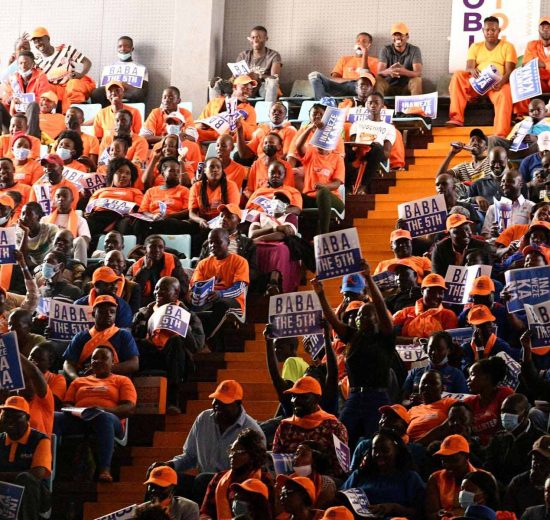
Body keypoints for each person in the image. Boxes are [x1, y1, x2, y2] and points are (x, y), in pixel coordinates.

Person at [312, 259, 395, 448]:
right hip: (355, 397)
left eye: (365, 314)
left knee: (375, 443)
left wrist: (368, 278)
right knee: (340, 441)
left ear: (376, 318)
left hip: (377, 397)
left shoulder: (385, 337)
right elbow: (333, 320)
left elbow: (380, 306)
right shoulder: (353, 336)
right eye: (358, 315)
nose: (360, 318)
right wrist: (321, 294)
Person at [148, 380, 266, 487]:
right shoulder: (204, 419)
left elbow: (254, 472)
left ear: (238, 404)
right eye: (216, 400)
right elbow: (190, 456)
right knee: (160, 478)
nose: (217, 405)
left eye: (224, 402)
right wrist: (169, 466)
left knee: (202, 479)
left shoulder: (252, 430)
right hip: (202, 483)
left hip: (232, 485)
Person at [54, 346, 137, 482]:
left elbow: (129, 408)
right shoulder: (78, 381)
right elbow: (67, 404)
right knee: (54, 417)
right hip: (80, 418)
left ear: (113, 362)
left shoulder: (122, 380)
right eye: (94, 358)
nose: (98, 361)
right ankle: (50, 465)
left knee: (103, 418)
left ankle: (105, 469)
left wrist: (102, 410)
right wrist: (77, 411)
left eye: (103, 358)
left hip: (109, 420)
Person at [133, 276, 205, 414]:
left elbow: (197, 345)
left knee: (175, 341)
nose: (157, 292)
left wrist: (182, 326)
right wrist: (144, 325)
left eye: (164, 289)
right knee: (135, 344)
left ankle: (173, 401)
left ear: (176, 293)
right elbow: (132, 338)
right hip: (150, 353)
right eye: (156, 289)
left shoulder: (189, 315)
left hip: (175, 357)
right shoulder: (143, 312)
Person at [447, 16, 517, 136]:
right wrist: (472, 70)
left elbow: (510, 71)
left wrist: (501, 82)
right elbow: (469, 67)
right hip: (478, 82)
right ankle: (456, 118)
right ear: (483, 30)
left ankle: (500, 134)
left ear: (499, 31)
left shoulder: (507, 46)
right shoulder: (475, 46)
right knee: (458, 75)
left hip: (496, 85)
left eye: (493, 30)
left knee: (506, 91)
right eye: (487, 30)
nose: (490, 32)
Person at [272, 375, 348, 478]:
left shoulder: (334, 426)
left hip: (324, 482)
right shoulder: (285, 426)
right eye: (293, 396)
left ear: (317, 399)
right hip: (290, 481)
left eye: (302, 397)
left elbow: (341, 468)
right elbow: (276, 462)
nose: (295, 401)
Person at [341, 428, 426, 518]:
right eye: (375, 450)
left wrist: (394, 508)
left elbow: (420, 512)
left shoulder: (410, 478)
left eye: (385, 450)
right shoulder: (360, 474)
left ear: (396, 451)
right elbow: (341, 497)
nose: (379, 454)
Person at [190, 228, 249, 346]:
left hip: (233, 301)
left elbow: (239, 289)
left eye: (217, 242)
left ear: (228, 242)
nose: (213, 245)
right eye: (210, 242)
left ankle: (202, 343)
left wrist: (220, 294)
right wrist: (195, 295)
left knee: (221, 304)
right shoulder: (203, 263)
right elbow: (195, 285)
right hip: (207, 300)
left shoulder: (240, 261)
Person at [200, 428, 273, 519]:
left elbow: (271, 515)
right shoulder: (218, 478)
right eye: (232, 451)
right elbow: (205, 513)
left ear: (253, 454)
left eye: (239, 452)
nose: (232, 455)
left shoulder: (265, 480)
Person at [62, 294, 139, 380]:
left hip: (115, 382)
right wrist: (76, 379)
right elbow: (68, 363)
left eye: (112, 312)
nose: (108, 314)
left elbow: (134, 364)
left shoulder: (123, 335)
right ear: (93, 314)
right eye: (103, 311)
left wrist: (103, 369)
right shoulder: (80, 337)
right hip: (86, 381)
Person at [0, 395, 52, 519]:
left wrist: (3, 476)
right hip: (3, 493)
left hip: (35, 497)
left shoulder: (40, 439)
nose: (10, 421)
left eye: (16, 417)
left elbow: (37, 473)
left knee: (26, 478)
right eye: (6, 416)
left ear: (27, 418)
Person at [295, 118, 345, 234]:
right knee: (290, 195)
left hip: (332, 199)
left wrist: (324, 187)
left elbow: (337, 183)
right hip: (311, 198)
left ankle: (323, 234)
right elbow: (298, 146)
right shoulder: (311, 152)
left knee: (323, 192)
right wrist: (310, 128)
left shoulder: (337, 158)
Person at [485, 393, 546, 486]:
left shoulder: (540, 439)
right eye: (503, 411)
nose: (505, 415)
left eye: (511, 412)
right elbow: (488, 465)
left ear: (525, 414)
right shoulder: (498, 437)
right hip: (497, 487)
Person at [30, 26, 95, 112]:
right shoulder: (37, 61)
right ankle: (54, 115)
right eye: (35, 42)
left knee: (73, 84)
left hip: (70, 84)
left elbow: (87, 62)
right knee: (44, 91)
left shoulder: (65, 49)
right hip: (55, 89)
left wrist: (81, 74)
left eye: (40, 40)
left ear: (48, 39)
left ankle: (77, 112)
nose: (38, 44)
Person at [212, 25, 282, 102]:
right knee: (215, 82)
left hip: (261, 87)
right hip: (243, 85)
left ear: (266, 38)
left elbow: (274, 78)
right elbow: (234, 77)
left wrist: (259, 76)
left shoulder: (273, 55)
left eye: (258, 37)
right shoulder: (243, 55)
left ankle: (269, 108)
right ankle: (216, 108)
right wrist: (237, 77)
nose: (255, 40)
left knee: (272, 83)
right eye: (253, 37)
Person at [347, 92, 399, 193]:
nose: (373, 105)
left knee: (377, 148)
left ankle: (363, 185)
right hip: (358, 150)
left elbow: (387, 152)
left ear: (382, 106)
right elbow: (352, 144)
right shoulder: (357, 124)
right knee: (343, 150)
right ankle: (347, 187)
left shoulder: (389, 127)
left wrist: (375, 145)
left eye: (376, 103)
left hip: (376, 152)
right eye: (370, 103)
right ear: (366, 105)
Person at [134, 156, 193, 242]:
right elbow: (144, 210)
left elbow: (188, 211)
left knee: (167, 222)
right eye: (172, 171)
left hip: (175, 220)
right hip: (153, 219)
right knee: (139, 222)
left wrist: (169, 216)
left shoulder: (184, 190)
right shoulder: (151, 191)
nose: (176, 174)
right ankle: (140, 246)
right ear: (163, 173)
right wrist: (153, 216)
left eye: (178, 171)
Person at [86, 157, 143, 243]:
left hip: (121, 218)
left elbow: (139, 210)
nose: (123, 175)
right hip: (98, 217)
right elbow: (88, 209)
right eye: (120, 171)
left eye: (128, 173)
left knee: (126, 222)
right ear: (112, 174)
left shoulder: (135, 191)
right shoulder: (100, 191)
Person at [309, 32, 378, 100]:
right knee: (314, 75)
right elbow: (334, 79)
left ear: (369, 45)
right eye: (358, 41)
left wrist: (365, 52)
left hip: (358, 88)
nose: (360, 43)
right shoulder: (344, 59)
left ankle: (325, 101)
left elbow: (368, 81)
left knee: (362, 83)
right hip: (341, 87)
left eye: (364, 41)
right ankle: (322, 102)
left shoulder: (375, 61)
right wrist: (353, 80)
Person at [402, 331, 469, 401]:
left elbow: (464, 401)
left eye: (439, 349)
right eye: (431, 348)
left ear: (449, 350)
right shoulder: (415, 373)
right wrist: (412, 400)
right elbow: (403, 400)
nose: (434, 352)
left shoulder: (457, 375)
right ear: (426, 348)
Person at [426, 434, 479, 520]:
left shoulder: (484, 478)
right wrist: (442, 514)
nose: (447, 465)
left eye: (453, 460)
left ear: (466, 456)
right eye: (444, 460)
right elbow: (431, 514)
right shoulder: (435, 478)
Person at [393, 273, 458, 342]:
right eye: (432, 291)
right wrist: (415, 340)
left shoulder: (448, 315)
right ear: (422, 291)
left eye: (440, 292)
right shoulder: (406, 312)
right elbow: (389, 335)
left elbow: (449, 342)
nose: (437, 296)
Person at [465, 357, 514, 446]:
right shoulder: (469, 402)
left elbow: (508, 429)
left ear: (487, 377)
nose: (468, 380)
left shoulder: (505, 394)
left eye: (472, 374)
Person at [128, 235, 188, 306]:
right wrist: (145, 269)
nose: (157, 250)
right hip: (146, 303)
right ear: (145, 249)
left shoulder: (173, 260)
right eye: (153, 247)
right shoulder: (136, 266)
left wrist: (168, 296)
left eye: (160, 247)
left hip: (170, 300)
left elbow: (183, 287)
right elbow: (133, 291)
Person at [91, 35, 150, 106]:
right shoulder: (109, 67)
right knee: (96, 93)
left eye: (126, 46)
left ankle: (126, 107)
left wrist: (125, 85)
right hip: (111, 93)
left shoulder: (141, 68)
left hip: (129, 93)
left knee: (139, 94)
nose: (123, 49)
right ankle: (107, 111)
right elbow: (104, 87)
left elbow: (144, 91)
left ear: (132, 49)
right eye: (120, 46)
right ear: (117, 48)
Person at [197, 75, 257, 142]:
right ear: (235, 87)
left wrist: (240, 123)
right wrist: (200, 125)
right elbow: (200, 121)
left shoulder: (250, 110)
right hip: (208, 134)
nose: (248, 92)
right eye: (244, 88)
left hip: (229, 138)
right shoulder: (215, 102)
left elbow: (251, 133)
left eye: (250, 89)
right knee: (191, 132)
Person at [188, 157, 240, 233]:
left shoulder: (231, 185)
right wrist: (200, 220)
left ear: (222, 170)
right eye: (211, 167)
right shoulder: (196, 187)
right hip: (203, 224)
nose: (215, 169)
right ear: (204, 170)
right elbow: (192, 213)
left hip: (223, 224)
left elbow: (232, 211)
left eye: (218, 167)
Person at [41, 186, 90, 264]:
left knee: (80, 240)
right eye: (58, 196)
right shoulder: (45, 219)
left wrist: (67, 246)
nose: (61, 199)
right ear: (54, 199)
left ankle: (79, 269)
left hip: (70, 253)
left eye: (64, 196)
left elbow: (84, 243)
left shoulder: (81, 220)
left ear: (72, 200)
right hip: (50, 252)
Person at [461, 305, 518, 370]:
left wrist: (480, 348)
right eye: (480, 325)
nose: (485, 327)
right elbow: (472, 372)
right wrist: (480, 348)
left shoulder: (502, 346)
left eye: (488, 323)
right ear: (472, 326)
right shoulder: (466, 347)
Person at [504, 436, 550, 517]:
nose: (537, 464)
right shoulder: (518, 483)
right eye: (535, 458)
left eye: (544, 460)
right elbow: (507, 513)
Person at [482, 170, 535, 239]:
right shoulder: (493, 208)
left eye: (509, 181)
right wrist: (493, 236)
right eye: (503, 181)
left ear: (521, 184)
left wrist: (503, 237)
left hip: (520, 244)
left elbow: (532, 234)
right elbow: (485, 235)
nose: (505, 184)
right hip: (496, 244)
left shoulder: (531, 207)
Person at [407, 370, 458, 442]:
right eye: (424, 382)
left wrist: (419, 443)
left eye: (433, 383)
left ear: (442, 388)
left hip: (438, 444)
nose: (427, 385)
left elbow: (450, 425)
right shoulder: (412, 410)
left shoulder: (449, 403)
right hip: (410, 446)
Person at [242, 130, 294, 199]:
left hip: (277, 200)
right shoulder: (256, 164)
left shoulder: (286, 166)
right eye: (265, 143)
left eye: (271, 143)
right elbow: (249, 189)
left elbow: (288, 189)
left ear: (279, 146)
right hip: (257, 200)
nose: (268, 145)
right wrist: (254, 199)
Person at [376, 22, 423, 96]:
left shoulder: (414, 50)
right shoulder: (385, 50)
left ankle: (415, 103)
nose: (397, 38)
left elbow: (418, 73)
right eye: (395, 35)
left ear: (407, 36)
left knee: (417, 80)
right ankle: (378, 102)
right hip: (389, 86)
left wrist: (404, 72)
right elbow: (379, 72)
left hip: (406, 87)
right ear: (392, 37)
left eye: (401, 35)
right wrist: (389, 71)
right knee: (378, 79)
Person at [5, 50, 49, 115]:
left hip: (35, 113)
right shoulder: (14, 78)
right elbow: (5, 99)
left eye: (26, 63)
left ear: (33, 64)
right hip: (17, 114)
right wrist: (9, 100)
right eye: (21, 63)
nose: (23, 66)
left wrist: (22, 99)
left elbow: (43, 99)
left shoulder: (41, 77)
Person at [523, 17, 550, 93]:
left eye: (548, 27)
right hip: (538, 82)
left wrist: (543, 64)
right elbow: (526, 65)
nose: (545, 29)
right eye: (543, 27)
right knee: (527, 82)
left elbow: (533, 64)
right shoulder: (532, 45)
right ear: (538, 30)